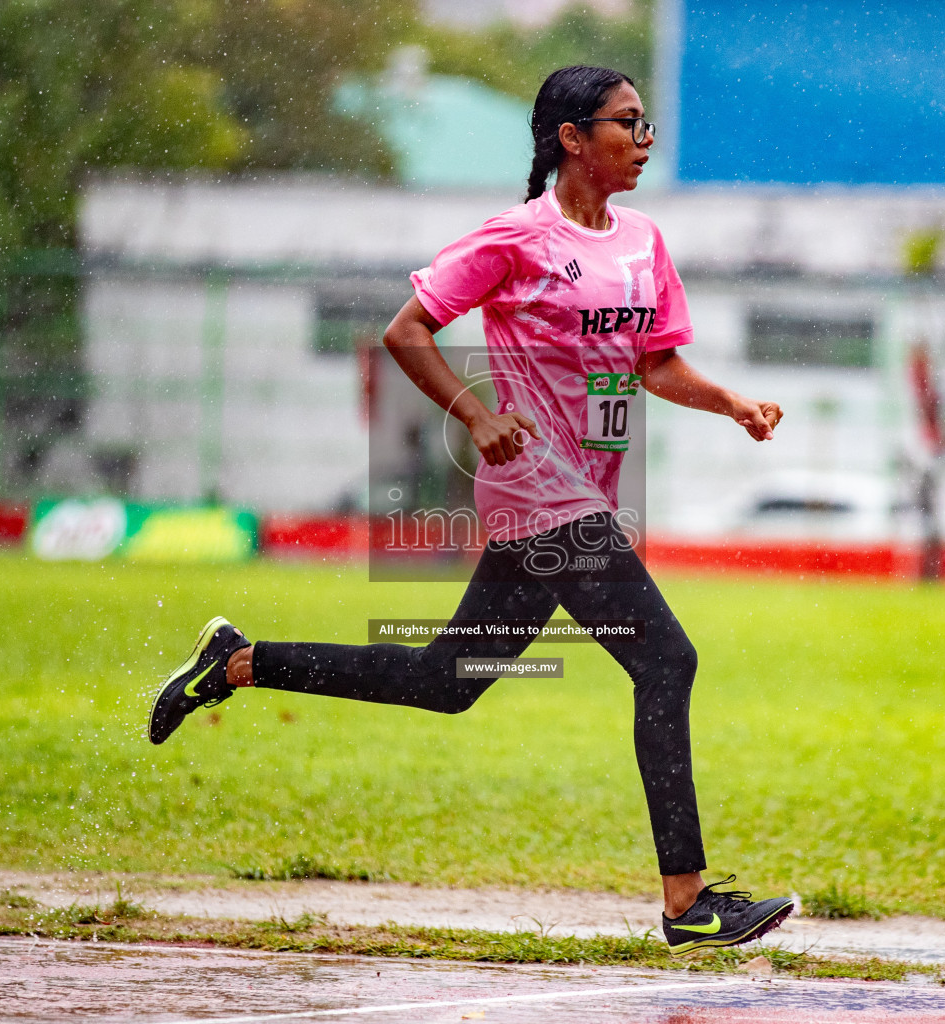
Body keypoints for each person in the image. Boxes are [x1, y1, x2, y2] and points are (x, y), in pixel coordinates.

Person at [149, 65, 789, 955]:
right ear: (573, 138)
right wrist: (478, 414)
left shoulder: (643, 240)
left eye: (646, 128)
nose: (643, 142)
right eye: (627, 125)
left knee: (447, 683)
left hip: (585, 497)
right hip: (537, 489)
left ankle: (238, 663)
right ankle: (689, 903)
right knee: (667, 660)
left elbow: (655, 367)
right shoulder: (515, 238)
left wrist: (733, 405)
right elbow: (405, 331)